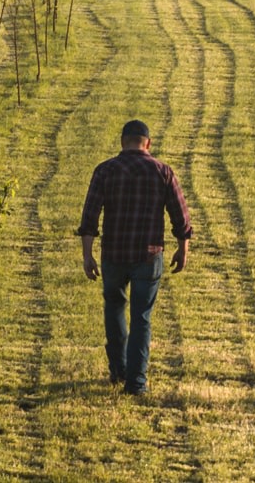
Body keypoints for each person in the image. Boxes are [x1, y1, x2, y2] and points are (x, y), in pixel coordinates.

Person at [76, 118, 192, 395]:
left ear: (122, 142)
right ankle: (136, 382)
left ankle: (118, 369)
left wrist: (87, 255)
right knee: (142, 317)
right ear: (148, 143)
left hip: (113, 253)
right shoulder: (162, 171)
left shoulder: (105, 171)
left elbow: (90, 216)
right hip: (148, 255)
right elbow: (180, 215)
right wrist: (182, 248)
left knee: (114, 308)